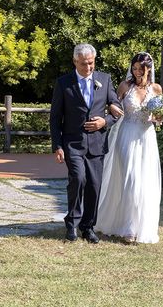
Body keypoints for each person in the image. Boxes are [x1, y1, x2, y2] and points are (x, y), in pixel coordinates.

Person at [50, 43, 121, 243]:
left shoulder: (104, 80)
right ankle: (71, 224)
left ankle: (88, 227)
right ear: (75, 62)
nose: (88, 68)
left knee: (94, 185)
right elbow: (55, 118)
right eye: (83, 64)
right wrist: (57, 145)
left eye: (91, 63)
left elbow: (117, 107)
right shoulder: (63, 83)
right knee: (78, 179)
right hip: (73, 143)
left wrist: (104, 121)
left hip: (97, 143)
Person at [96, 52, 163, 244]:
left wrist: (158, 118)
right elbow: (112, 106)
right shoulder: (125, 86)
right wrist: (112, 109)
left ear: (148, 69)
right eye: (134, 69)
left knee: (144, 182)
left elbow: (160, 117)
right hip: (126, 135)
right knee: (129, 179)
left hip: (147, 138)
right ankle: (128, 228)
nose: (136, 72)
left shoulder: (156, 89)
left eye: (140, 69)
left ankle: (140, 226)